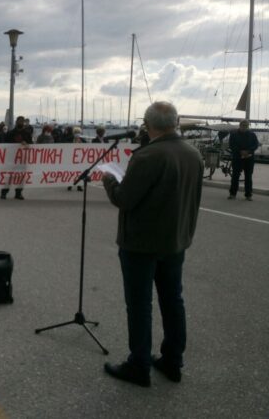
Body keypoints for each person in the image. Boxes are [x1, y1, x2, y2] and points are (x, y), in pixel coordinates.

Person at [102, 101, 203, 388]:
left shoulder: (148, 156)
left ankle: (139, 365)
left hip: (141, 244)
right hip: (175, 241)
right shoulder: (192, 153)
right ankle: (172, 360)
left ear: (148, 125)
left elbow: (124, 198)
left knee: (139, 305)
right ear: (177, 121)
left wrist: (109, 181)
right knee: (173, 301)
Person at [0, 116, 33, 200]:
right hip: (12, 159)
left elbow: (31, 144)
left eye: (22, 121)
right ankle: (4, 192)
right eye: (19, 121)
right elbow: (5, 144)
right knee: (9, 176)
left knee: (21, 176)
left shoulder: (27, 133)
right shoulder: (10, 133)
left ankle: (18, 193)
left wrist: (26, 144)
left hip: (22, 159)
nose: (21, 123)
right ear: (16, 122)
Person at [228, 119, 259, 201]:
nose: (244, 127)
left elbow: (256, 145)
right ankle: (232, 194)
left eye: (246, 126)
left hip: (249, 159)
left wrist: (248, 151)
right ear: (240, 125)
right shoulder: (234, 134)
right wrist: (240, 151)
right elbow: (231, 145)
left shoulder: (252, 135)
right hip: (237, 158)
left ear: (248, 126)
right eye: (243, 125)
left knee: (248, 177)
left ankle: (248, 195)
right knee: (235, 176)